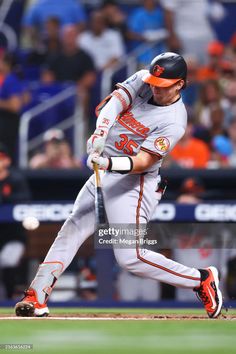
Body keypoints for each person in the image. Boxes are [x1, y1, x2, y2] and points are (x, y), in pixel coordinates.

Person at [15, 52, 222, 318]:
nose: (154, 88)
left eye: (163, 86)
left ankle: (201, 279)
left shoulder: (174, 120)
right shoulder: (145, 79)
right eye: (153, 82)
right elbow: (114, 102)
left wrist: (108, 164)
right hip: (106, 166)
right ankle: (37, 295)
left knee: (131, 258)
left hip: (134, 184)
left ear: (179, 84)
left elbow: (143, 161)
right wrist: (100, 133)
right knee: (73, 226)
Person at [0, 143, 31, 298]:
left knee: (8, 260)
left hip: (13, 234)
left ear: (7, 161)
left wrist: (5, 198)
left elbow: (24, 200)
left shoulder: (16, 180)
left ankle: (9, 297)